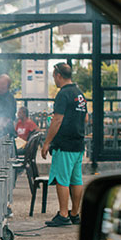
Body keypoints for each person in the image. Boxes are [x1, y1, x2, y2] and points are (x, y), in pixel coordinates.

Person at [41, 62, 88, 227]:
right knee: (76, 180)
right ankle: (75, 214)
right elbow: (86, 118)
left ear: (58, 75)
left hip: (65, 144)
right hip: (78, 144)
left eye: (54, 75)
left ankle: (63, 214)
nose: (54, 78)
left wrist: (47, 142)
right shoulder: (79, 94)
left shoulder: (63, 94)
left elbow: (57, 119)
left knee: (62, 179)